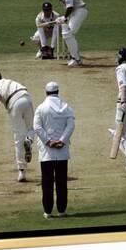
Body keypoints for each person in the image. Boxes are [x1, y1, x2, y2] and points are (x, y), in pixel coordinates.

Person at [33, 81, 76, 218]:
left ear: (46, 92)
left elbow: (37, 127)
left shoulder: (41, 108)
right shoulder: (66, 107)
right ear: (58, 91)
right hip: (62, 152)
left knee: (47, 182)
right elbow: (71, 126)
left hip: (47, 152)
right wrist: (62, 141)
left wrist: (48, 141)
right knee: (62, 182)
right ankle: (62, 210)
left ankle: (48, 211)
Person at [0, 70, 36, 182]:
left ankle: (22, 172)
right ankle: (29, 140)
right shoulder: (8, 81)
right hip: (26, 97)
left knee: (18, 138)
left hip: (14, 103)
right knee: (31, 128)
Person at [49, 0, 88, 67]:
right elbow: (68, 8)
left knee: (68, 34)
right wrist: (64, 18)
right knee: (67, 34)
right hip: (75, 12)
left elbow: (70, 7)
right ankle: (75, 57)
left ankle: (76, 59)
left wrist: (64, 18)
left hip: (80, 10)